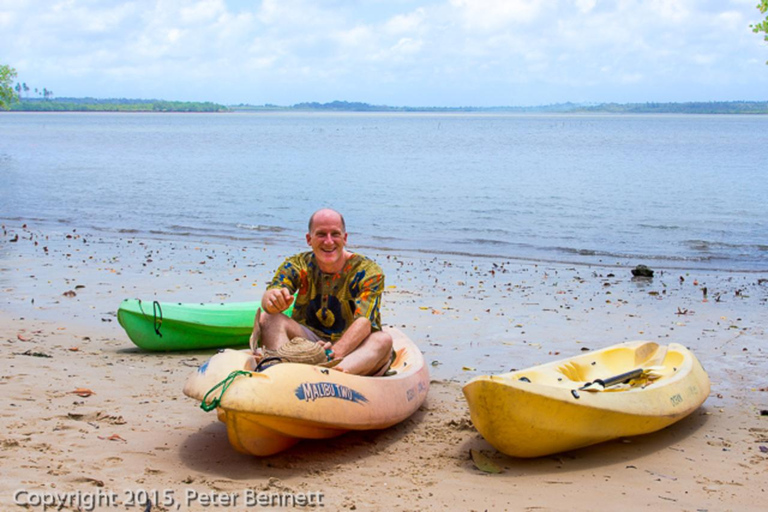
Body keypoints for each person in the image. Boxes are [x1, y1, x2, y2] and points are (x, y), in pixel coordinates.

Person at [251, 208, 393, 376]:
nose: (328, 241)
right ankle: (280, 370)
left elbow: (364, 321)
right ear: (308, 239)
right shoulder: (297, 264)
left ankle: (328, 374)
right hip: (306, 346)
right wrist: (271, 299)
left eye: (335, 234)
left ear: (345, 238)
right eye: (321, 234)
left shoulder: (368, 271)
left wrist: (335, 352)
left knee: (383, 340)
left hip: (352, 350)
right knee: (268, 317)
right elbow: (275, 289)